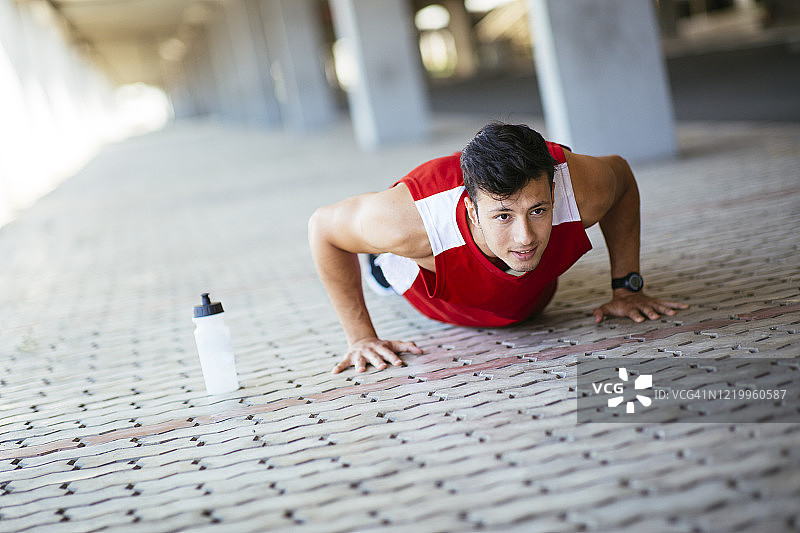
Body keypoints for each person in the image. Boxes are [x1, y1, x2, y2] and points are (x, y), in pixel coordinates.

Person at [308, 122, 688, 374]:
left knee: (522, 259)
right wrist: (360, 336)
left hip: (530, 295)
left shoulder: (582, 186)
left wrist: (627, 287)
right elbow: (322, 228)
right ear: (472, 209)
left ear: (554, 192)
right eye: (503, 216)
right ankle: (381, 266)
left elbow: (621, 175)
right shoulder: (410, 222)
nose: (525, 236)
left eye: (538, 210)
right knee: (391, 253)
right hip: (433, 286)